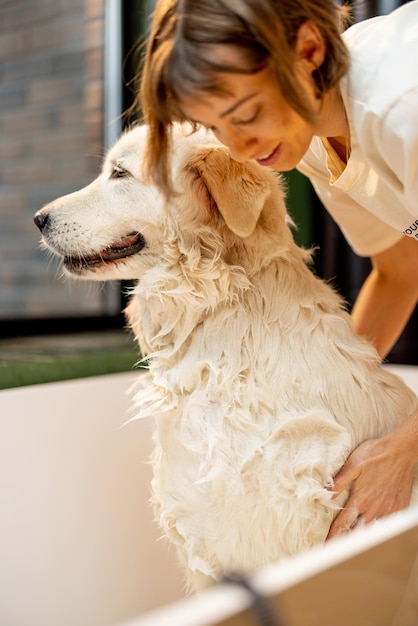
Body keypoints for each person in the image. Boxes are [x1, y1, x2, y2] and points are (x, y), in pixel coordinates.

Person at [138, 0, 418, 538]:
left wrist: (402, 450)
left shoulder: (402, 110)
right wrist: (327, 397)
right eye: (217, 127)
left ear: (308, 51)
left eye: (244, 115)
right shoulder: (308, 138)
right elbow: (401, 268)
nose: (239, 148)